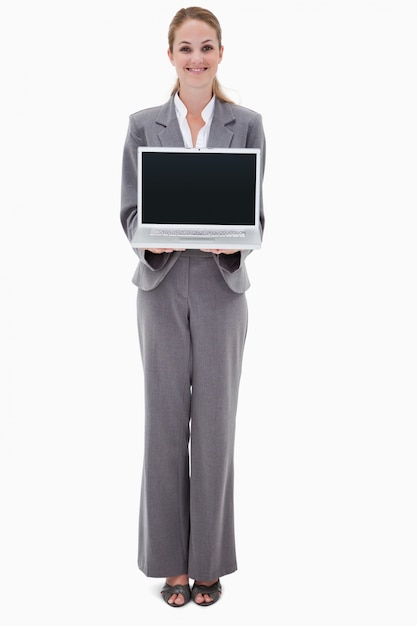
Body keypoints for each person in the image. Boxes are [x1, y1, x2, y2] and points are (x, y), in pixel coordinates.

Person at [120, 6, 266, 607]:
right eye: (186, 48)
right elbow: (128, 212)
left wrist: (230, 238)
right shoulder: (142, 125)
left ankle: (208, 563)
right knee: (162, 425)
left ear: (221, 53)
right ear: (171, 55)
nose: (197, 58)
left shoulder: (248, 124)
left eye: (207, 47)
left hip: (220, 287)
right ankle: (169, 566)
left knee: (213, 429)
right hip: (160, 285)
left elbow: (258, 217)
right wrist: (146, 234)